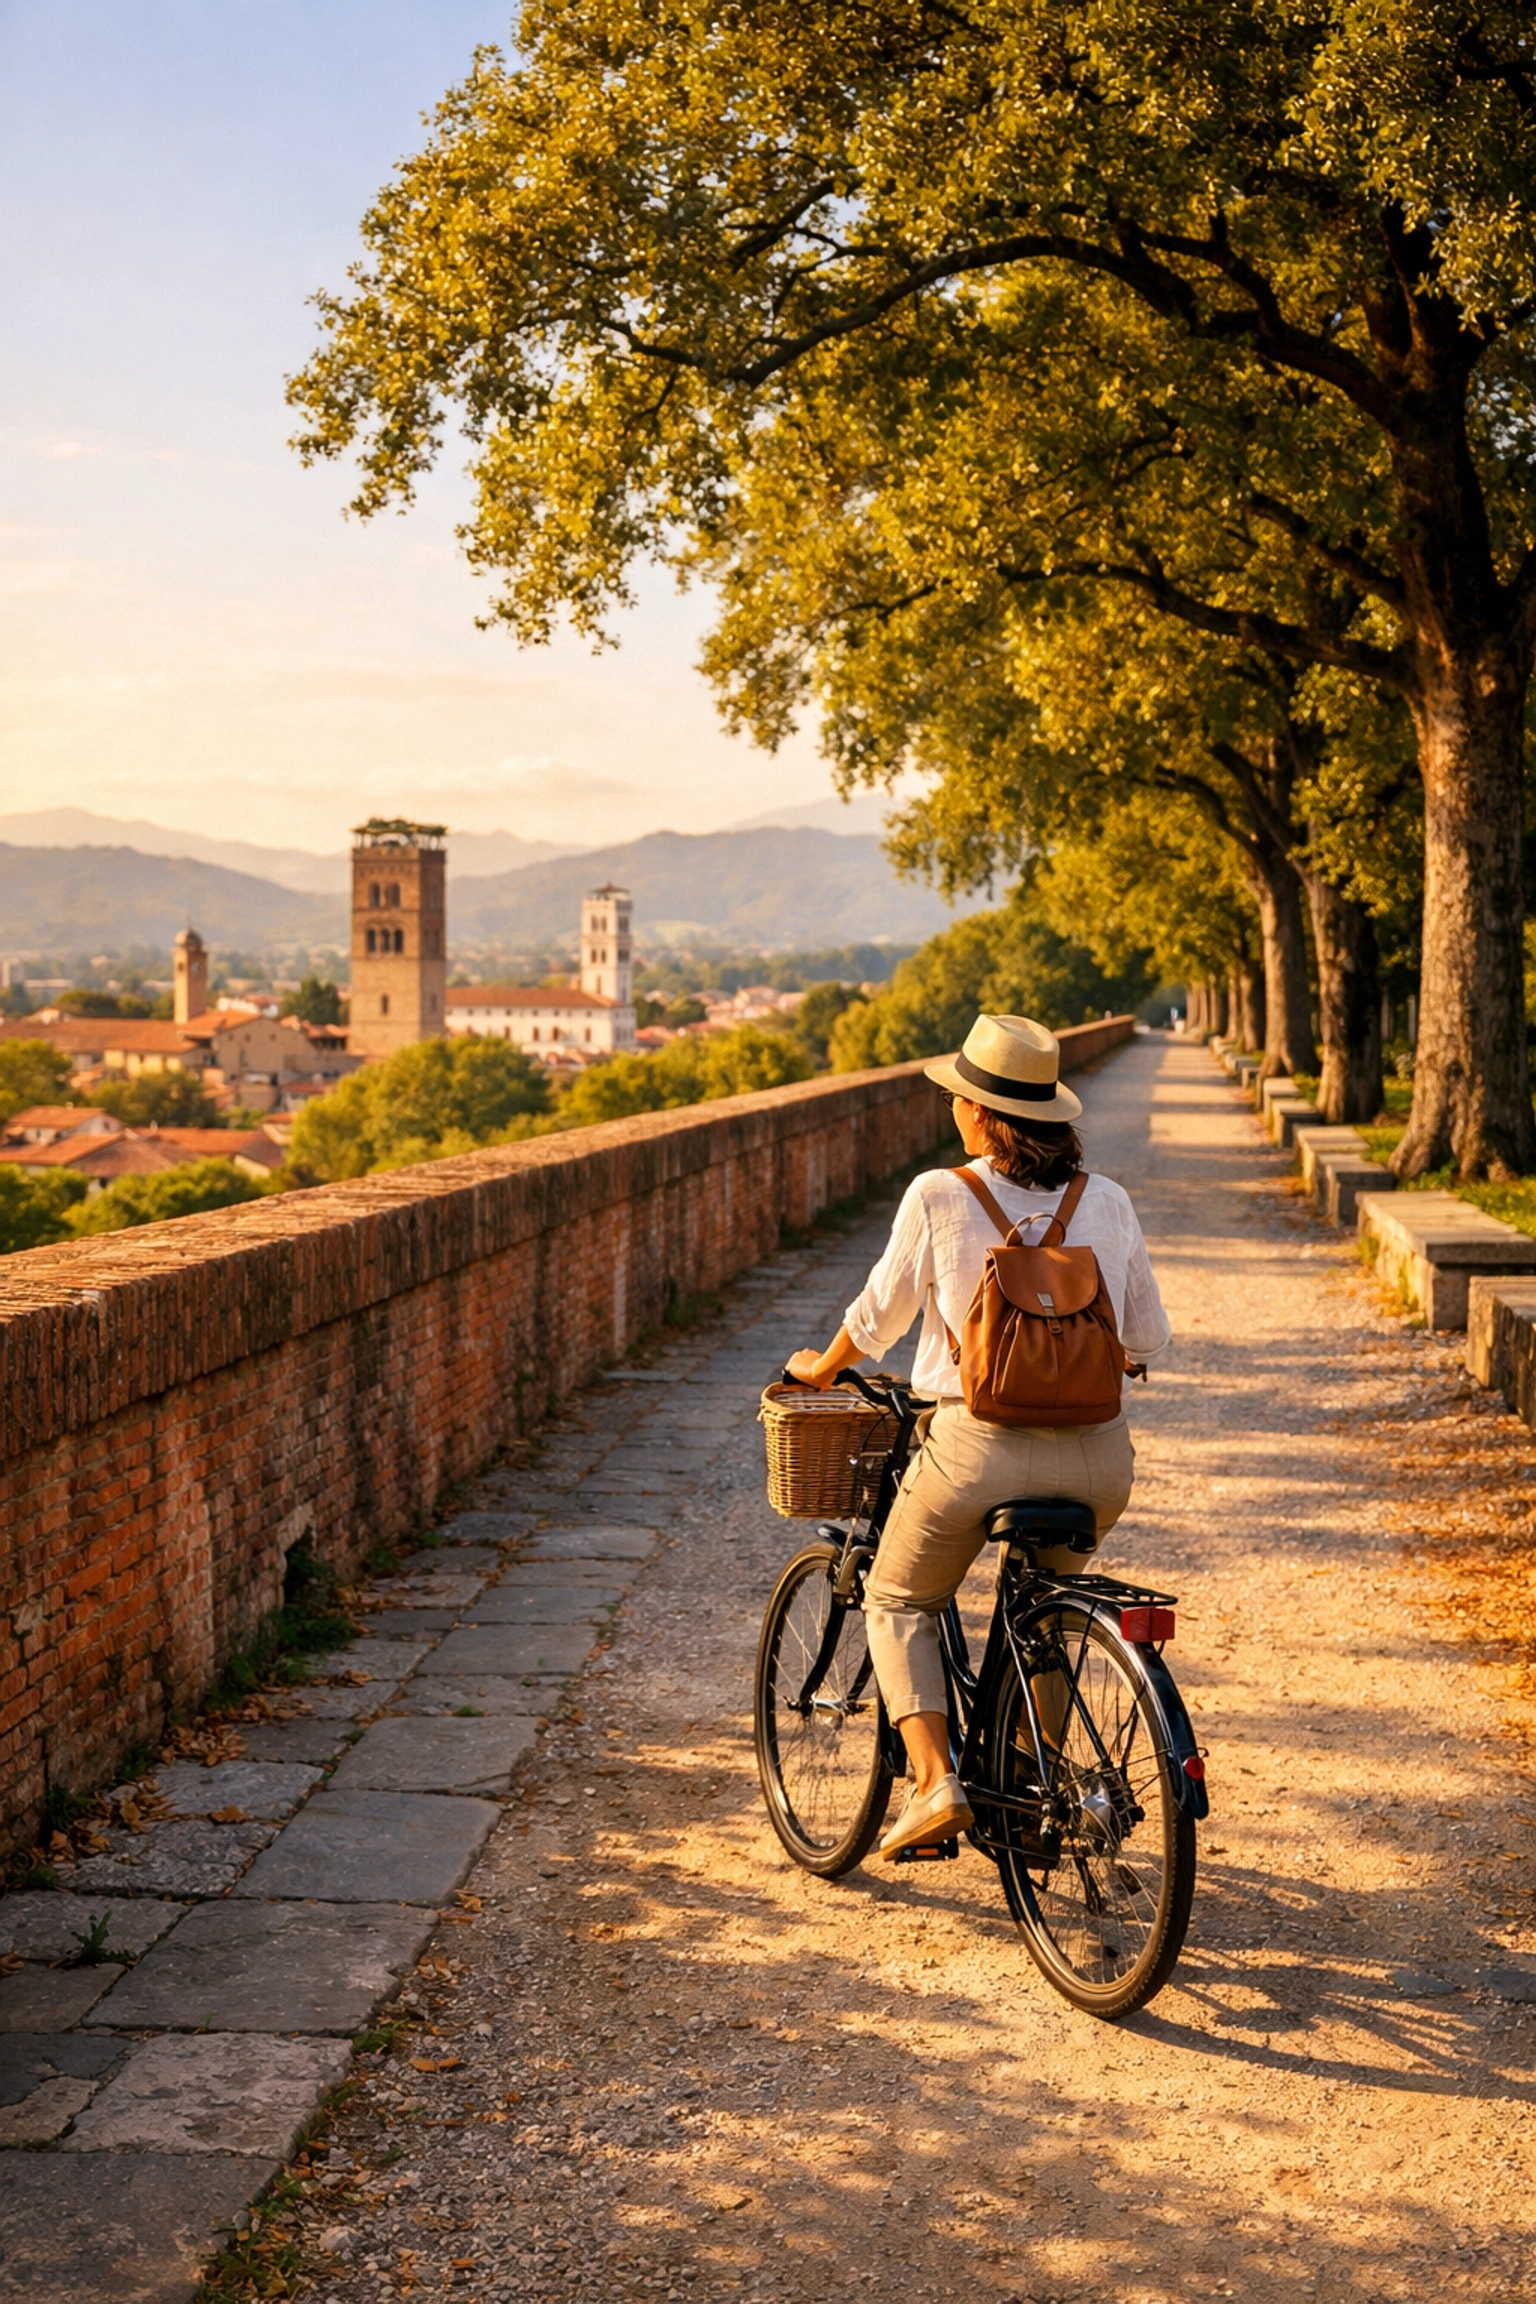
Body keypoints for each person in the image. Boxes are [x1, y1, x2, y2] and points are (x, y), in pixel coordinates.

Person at [786, 1013, 1171, 1860]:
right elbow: (1147, 1339)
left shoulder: (940, 1193)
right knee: (1045, 1617)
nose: (955, 1106)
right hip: (1098, 1462)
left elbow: (877, 1318)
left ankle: (932, 1786)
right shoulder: (1105, 1201)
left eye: (962, 1096)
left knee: (898, 1599)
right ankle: (1034, 1795)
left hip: (976, 1449)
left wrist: (822, 1370)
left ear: (982, 1115)